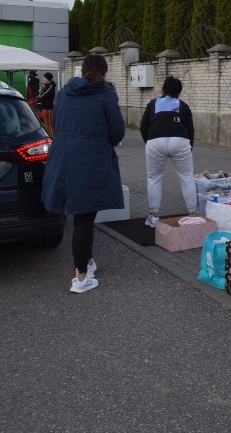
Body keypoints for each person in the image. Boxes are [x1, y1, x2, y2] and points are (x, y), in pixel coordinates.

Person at [41, 54, 125, 293]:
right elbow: (117, 131)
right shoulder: (106, 94)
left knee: (78, 213)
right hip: (91, 159)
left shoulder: (66, 91)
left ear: (81, 71)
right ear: (105, 72)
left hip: (63, 157)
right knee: (84, 217)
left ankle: (87, 261)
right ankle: (80, 278)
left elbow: (55, 121)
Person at [139, 75, 197, 227]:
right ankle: (193, 213)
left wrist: (149, 143)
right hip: (180, 140)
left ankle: (153, 216)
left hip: (155, 140)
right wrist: (188, 147)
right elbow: (190, 131)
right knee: (186, 177)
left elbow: (143, 127)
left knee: (154, 178)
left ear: (162, 90)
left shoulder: (153, 104)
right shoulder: (183, 105)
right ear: (178, 93)